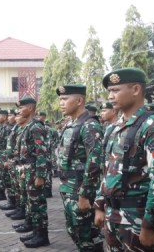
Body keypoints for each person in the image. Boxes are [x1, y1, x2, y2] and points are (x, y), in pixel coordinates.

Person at [94, 68, 154, 251]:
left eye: (116, 90)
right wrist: (99, 204)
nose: (111, 96)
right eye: (109, 91)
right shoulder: (112, 129)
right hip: (112, 214)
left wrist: (150, 224)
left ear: (136, 89)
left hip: (138, 216)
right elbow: (106, 170)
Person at [56, 85, 104, 251]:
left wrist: (85, 194)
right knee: (75, 231)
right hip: (68, 187)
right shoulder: (71, 124)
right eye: (60, 99)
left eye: (64, 99)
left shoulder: (89, 125)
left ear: (79, 100)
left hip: (80, 190)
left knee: (86, 234)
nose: (61, 103)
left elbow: (95, 162)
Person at [13, 96, 50, 248]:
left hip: (35, 171)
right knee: (31, 203)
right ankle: (36, 231)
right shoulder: (28, 126)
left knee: (38, 204)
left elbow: (41, 153)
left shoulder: (35, 127)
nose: (18, 111)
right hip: (28, 170)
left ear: (29, 108)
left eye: (21, 108)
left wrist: (40, 176)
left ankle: (42, 235)